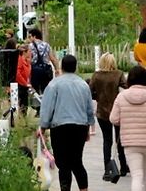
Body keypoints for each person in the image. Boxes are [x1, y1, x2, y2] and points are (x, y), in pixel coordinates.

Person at [39, 54, 94, 191]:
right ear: (75, 67)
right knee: (77, 162)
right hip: (79, 127)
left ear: (62, 67)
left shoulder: (54, 85)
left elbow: (47, 108)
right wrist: (88, 128)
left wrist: (43, 127)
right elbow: (89, 109)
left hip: (60, 128)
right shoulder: (83, 85)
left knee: (63, 164)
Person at [90, 52, 127, 181]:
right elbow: (127, 87)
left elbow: (90, 92)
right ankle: (123, 167)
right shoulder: (118, 74)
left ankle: (107, 169)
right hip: (117, 111)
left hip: (102, 112)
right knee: (119, 140)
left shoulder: (96, 76)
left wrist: (98, 98)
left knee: (107, 140)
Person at [28, 28, 59, 96]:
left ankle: (37, 104)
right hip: (45, 71)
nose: (29, 39)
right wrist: (57, 69)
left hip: (35, 71)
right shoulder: (46, 45)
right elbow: (52, 58)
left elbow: (29, 59)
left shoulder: (30, 46)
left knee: (35, 90)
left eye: (30, 36)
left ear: (34, 36)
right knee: (46, 89)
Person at [15, 43, 31, 117]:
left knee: (25, 103)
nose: (30, 53)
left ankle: (24, 118)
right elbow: (17, 74)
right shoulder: (19, 60)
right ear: (25, 52)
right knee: (22, 103)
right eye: (29, 51)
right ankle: (21, 118)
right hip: (21, 85)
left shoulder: (26, 61)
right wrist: (25, 83)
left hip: (25, 84)